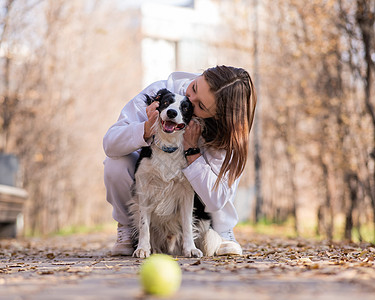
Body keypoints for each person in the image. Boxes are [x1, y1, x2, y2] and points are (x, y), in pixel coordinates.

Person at [103, 65, 257, 256]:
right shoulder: (160, 93)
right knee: (115, 163)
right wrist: (145, 128)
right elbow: (110, 144)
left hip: (196, 199)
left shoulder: (226, 131)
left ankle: (222, 230)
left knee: (218, 180)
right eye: (193, 88)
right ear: (200, 75)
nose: (190, 101)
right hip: (152, 179)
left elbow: (216, 198)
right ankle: (127, 228)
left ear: (217, 116)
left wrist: (192, 151)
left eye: (201, 106)